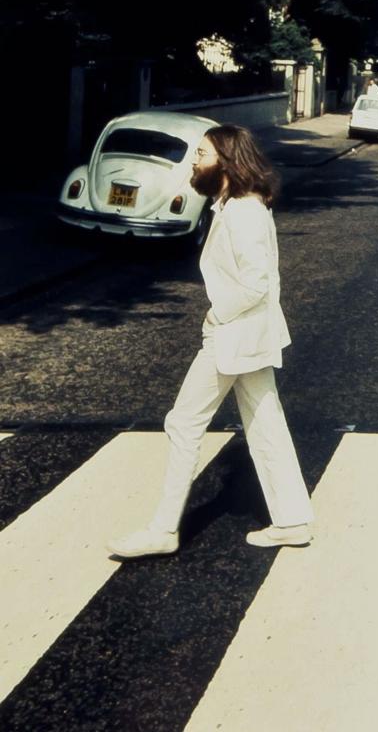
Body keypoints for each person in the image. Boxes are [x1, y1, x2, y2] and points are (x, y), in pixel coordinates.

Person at [108, 125, 314, 558]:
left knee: (184, 423)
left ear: (224, 161)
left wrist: (215, 315)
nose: (193, 162)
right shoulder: (232, 205)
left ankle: (164, 530)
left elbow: (257, 282)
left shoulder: (244, 213)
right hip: (247, 336)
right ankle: (293, 519)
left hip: (232, 337)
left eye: (200, 154)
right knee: (265, 423)